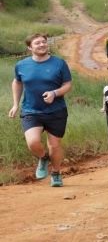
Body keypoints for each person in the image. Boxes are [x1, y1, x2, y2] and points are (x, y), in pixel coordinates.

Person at [8, 33, 72, 187]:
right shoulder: (22, 65)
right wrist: (15, 104)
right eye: (37, 43)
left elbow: (67, 84)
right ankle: (43, 158)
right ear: (30, 47)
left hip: (56, 111)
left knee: (54, 145)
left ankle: (56, 173)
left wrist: (54, 93)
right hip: (31, 110)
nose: (42, 45)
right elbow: (17, 83)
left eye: (44, 42)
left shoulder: (59, 63)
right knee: (33, 142)